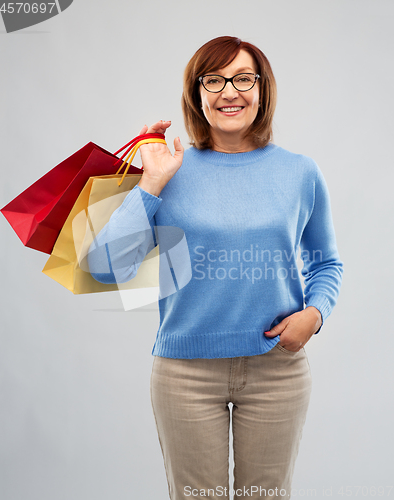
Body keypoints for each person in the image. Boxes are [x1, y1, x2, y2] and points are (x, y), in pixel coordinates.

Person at [87, 36, 344, 500]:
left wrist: (316, 313)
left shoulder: (300, 172)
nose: (230, 91)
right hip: (184, 373)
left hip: (276, 370)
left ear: (262, 90)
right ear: (197, 92)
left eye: (243, 78)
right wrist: (150, 183)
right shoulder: (168, 170)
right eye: (215, 80)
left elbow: (326, 261)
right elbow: (106, 268)